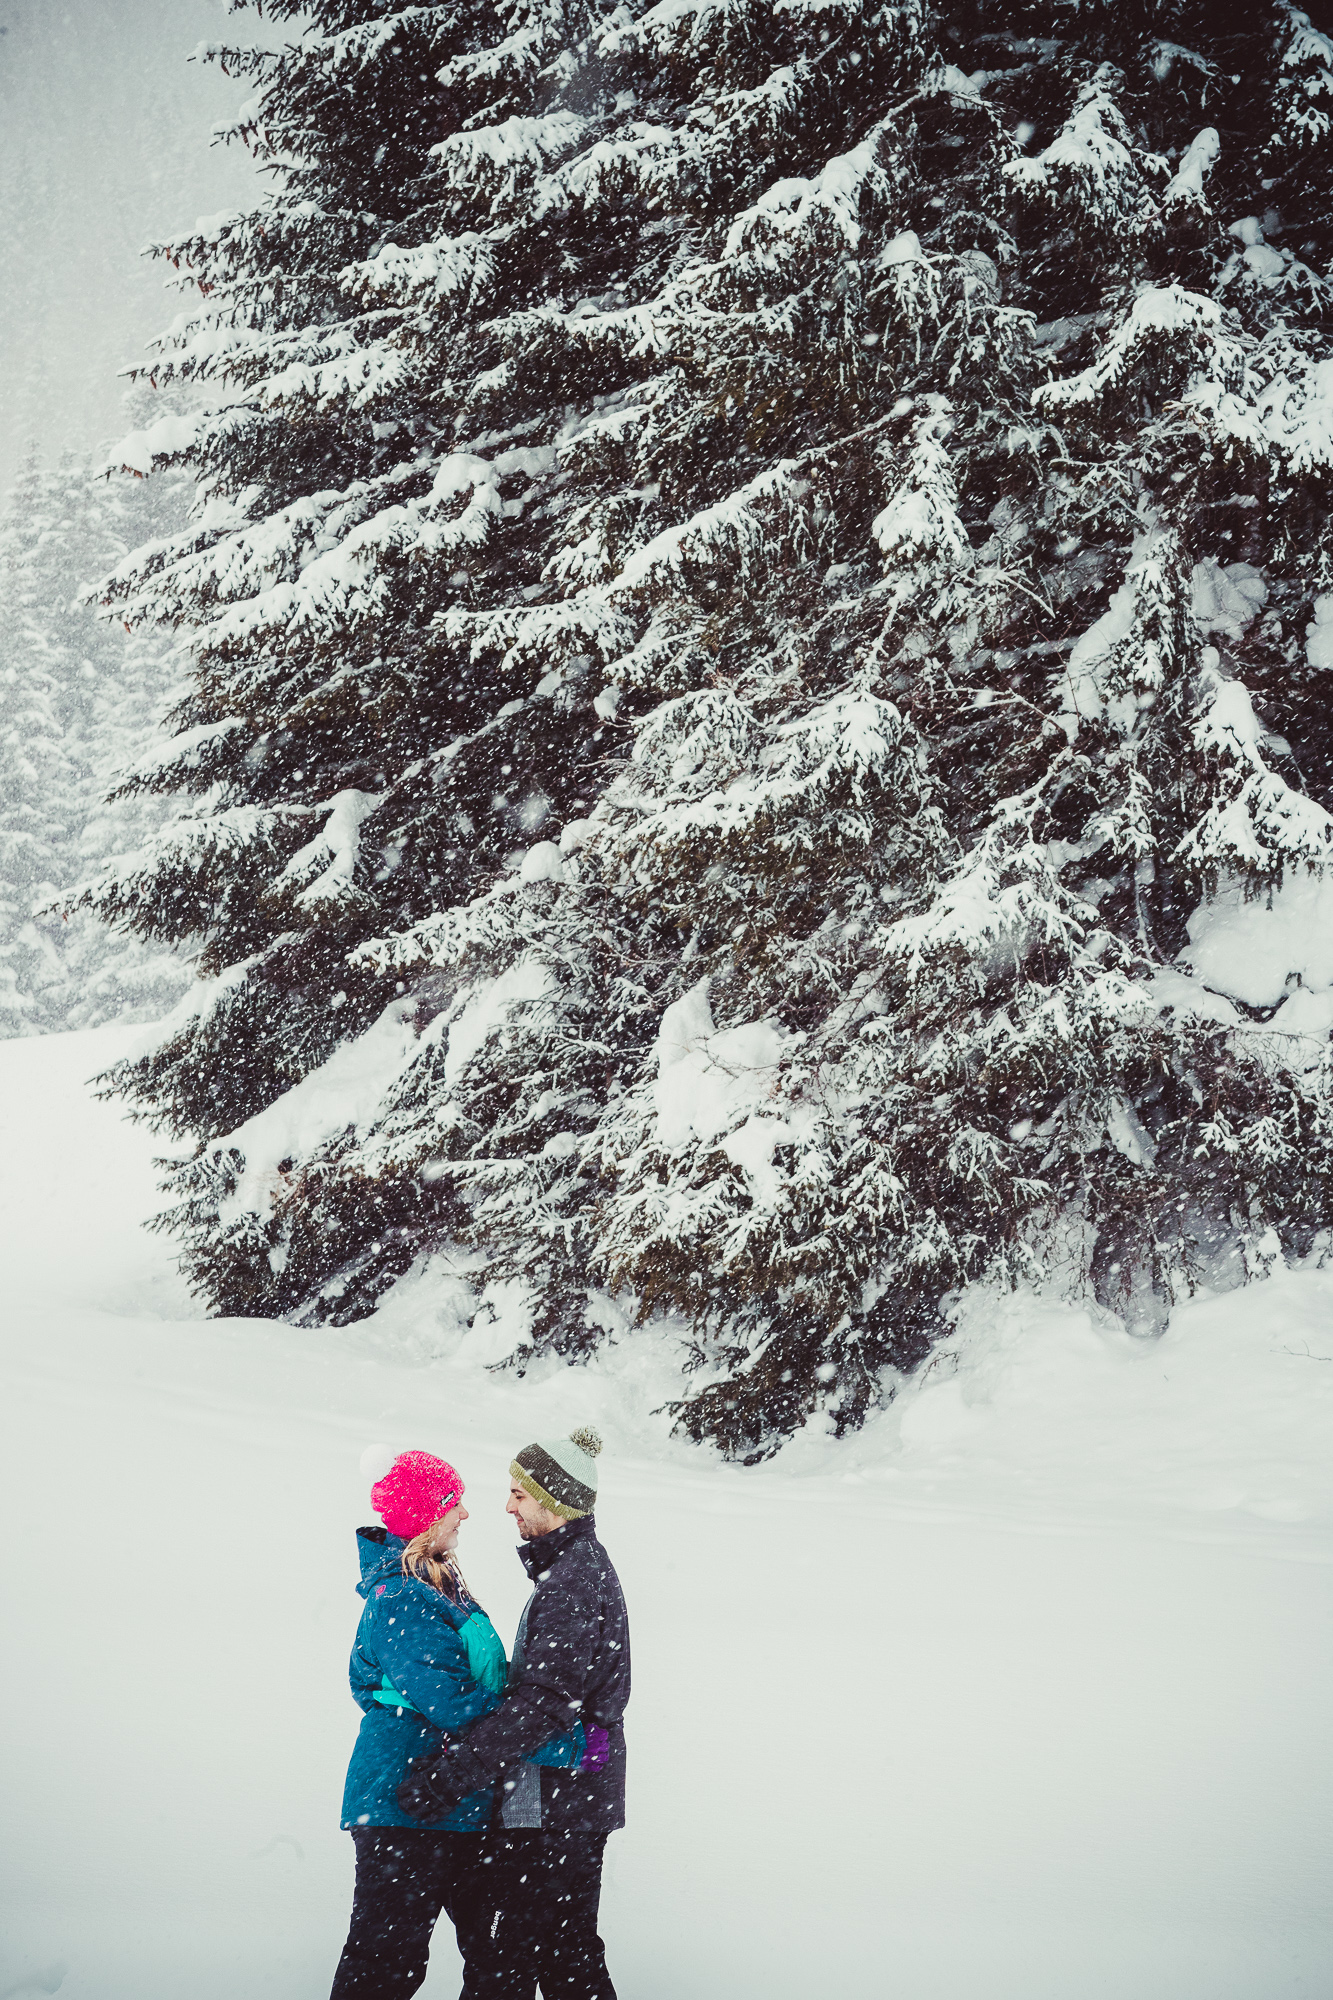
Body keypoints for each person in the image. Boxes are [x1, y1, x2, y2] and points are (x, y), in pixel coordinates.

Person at [330, 1448, 582, 1998]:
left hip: (459, 1803)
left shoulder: (436, 1583)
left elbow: (465, 1690)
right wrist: (552, 1733)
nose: (466, 1513)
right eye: (453, 1502)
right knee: (386, 1964)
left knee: (500, 1959)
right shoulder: (402, 1595)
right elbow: (457, 1702)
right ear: (426, 1515)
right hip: (406, 1807)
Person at [397, 1425, 630, 2000]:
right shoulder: (576, 1570)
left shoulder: (571, 1582)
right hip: (575, 1802)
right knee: (566, 1956)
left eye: (519, 1494)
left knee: (506, 1967)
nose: (506, 1506)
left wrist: (451, 1777)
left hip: (551, 1808)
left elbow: (542, 1705)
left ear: (553, 1499)